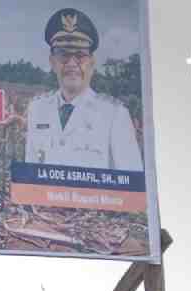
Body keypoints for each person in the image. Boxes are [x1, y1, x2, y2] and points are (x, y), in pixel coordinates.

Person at [23, 8, 143, 171]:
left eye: (80, 56)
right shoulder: (37, 109)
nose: (72, 64)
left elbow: (131, 186)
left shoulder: (114, 115)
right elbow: (32, 176)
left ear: (92, 62)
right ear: (52, 61)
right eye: (63, 55)